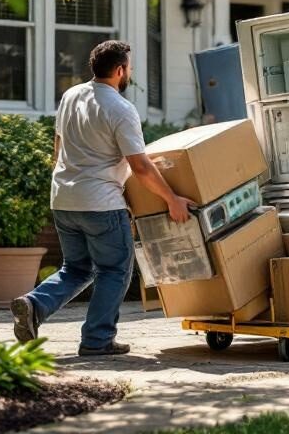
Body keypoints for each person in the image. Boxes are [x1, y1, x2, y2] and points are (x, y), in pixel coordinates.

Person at [11, 40, 192, 356]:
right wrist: (172, 198)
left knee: (77, 269)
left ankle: (34, 304)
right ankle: (97, 340)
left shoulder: (71, 95)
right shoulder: (121, 108)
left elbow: (58, 147)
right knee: (115, 270)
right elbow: (140, 166)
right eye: (130, 68)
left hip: (64, 199)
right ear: (121, 70)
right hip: (101, 203)